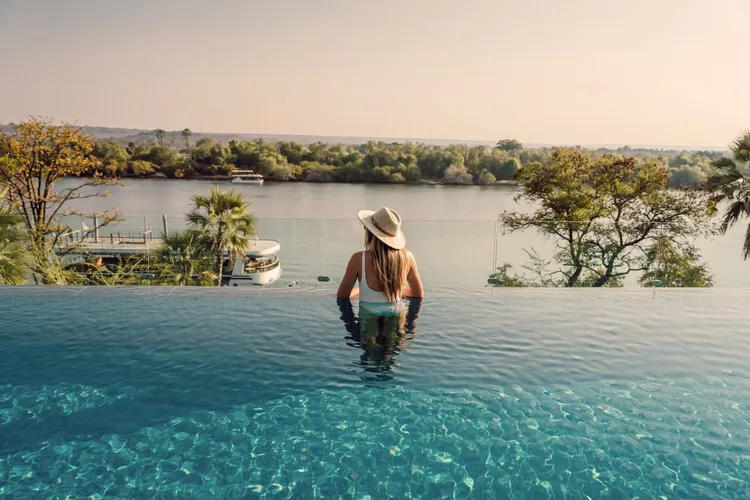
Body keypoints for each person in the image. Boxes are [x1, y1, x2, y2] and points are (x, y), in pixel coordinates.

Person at [336, 206, 424, 315]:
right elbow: (418, 294)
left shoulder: (358, 259)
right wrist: (395, 292)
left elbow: (342, 296)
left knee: (368, 330)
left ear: (370, 233)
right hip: (397, 314)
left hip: (368, 315)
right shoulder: (407, 256)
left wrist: (359, 291)